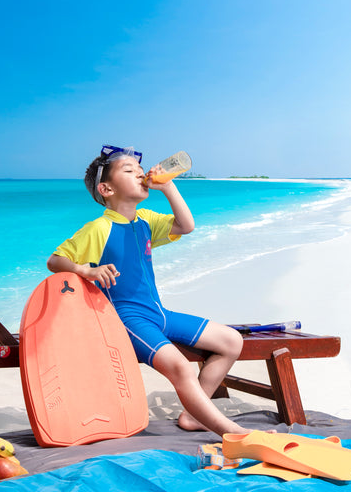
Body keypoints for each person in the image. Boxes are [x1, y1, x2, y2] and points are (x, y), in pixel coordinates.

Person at [47, 144, 250, 437]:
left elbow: (186, 225)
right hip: (127, 320)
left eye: (141, 170)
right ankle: (231, 431)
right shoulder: (98, 228)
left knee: (231, 341)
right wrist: (86, 270)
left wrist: (168, 188)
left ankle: (195, 415)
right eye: (129, 171)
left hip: (159, 314)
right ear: (106, 189)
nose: (140, 174)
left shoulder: (145, 221)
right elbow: (55, 261)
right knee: (180, 368)